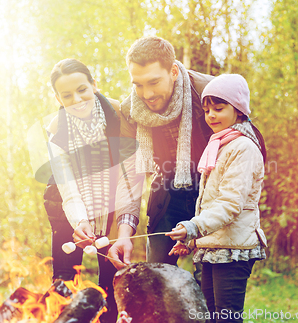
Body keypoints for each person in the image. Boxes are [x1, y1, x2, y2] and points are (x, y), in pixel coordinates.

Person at [166, 74, 268, 323]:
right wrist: (192, 240)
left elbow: (230, 204)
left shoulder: (243, 148)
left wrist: (193, 227)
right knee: (212, 317)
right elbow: (210, 203)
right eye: (207, 109)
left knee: (226, 318)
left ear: (239, 110)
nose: (211, 115)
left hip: (232, 249)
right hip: (213, 247)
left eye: (219, 108)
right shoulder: (220, 145)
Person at [107, 36, 214, 270]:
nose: (146, 94)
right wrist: (124, 234)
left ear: (173, 71)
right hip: (166, 188)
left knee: (209, 281)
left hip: (212, 188)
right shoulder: (129, 111)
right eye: (138, 84)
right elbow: (129, 178)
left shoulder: (209, 92)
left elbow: (243, 144)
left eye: (153, 82)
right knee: (158, 275)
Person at [43, 58, 120, 323]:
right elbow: (69, 190)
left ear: (94, 85)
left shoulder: (118, 119)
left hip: (110, 204)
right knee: (65, 278)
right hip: (64, 206)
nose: (77, 99)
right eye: (67, 95)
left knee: (110, 280)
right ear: (58, 99)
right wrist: (80, 221)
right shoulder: (56, 135)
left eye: (82, 89)